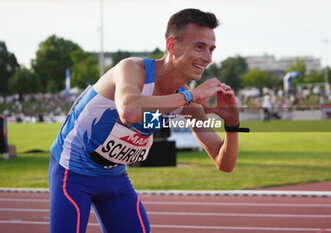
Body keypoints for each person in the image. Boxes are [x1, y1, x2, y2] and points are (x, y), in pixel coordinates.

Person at [49, 8, 240, 233]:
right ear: (171, 46)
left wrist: (232, 125)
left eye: (211, 49)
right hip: (72, 171)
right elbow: (129, 111)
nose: (208, 58)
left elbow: (224, 163)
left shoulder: (189, 104)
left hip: (115, 177)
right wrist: (191, 95)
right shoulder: (132, 69)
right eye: (199, 47)